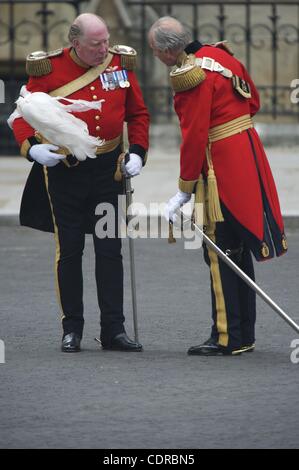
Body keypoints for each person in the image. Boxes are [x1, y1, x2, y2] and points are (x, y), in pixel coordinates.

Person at [10, 13, 150, 353]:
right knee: (70, 251)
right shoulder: (49, 69)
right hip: (66, 171)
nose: (104, 49)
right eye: (95, 44)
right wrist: (32, 148)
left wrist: (139, 153)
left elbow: (138, 114)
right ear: (75, 44)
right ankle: (71, 329)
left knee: (109, 250)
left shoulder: (119, 64)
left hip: (108, 171)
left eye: (105, 41)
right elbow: (20, 113)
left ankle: (114, 330)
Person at [148, 17, 288, 356]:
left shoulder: (189, 75)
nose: (155, 56)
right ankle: (244, 334)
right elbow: (253, 101)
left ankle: (227, 336)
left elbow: (194, 136)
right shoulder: (222, 55)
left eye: (155, 51)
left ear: (168, 51)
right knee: (237, 250)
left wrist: (184, 188)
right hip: (248, 153)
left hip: (219, 166)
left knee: (220, 251)